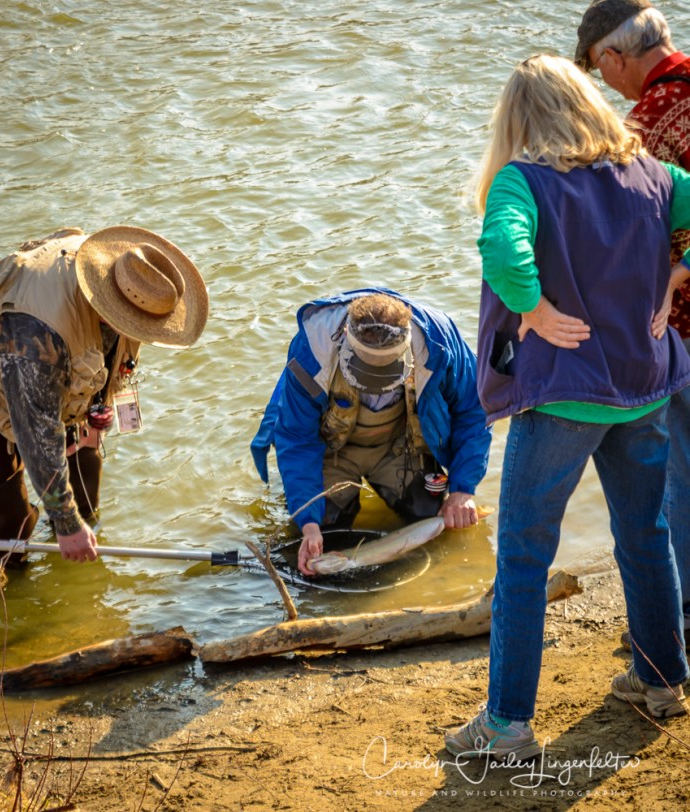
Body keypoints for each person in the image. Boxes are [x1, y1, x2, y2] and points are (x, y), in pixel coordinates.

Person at [444, 54, 690, 763]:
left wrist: (535, 308)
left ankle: (508, 725)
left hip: (564, 398)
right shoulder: (651, 174)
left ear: (520, 119)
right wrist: (680, 273)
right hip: (643, 390)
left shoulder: (522, 180)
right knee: (647, 533)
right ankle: (663, 679)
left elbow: (502, 246)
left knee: (522, 556)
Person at [0, 226, 208, 564]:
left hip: (53, 365)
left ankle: (78, 552)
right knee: (12, 511)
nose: (144, 331)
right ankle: (10, 579)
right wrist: (66, 520)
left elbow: (116, 361)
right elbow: (36, 432)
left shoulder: (137, 285)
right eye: (136, 323)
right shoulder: (38, 329)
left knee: (85, 468)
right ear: (111, 305)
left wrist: (100, 410)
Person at [575, 0, 690, 650]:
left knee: (679, 472)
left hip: (677, 325)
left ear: (613, 58)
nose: (602, 82)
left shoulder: (644, 125)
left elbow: (619, 239)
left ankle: (672, 618)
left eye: (597, 68)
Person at [251, 289, 492, 576]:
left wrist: (463, 490)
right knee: (324, 533)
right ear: (344, 342)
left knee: (431, 515)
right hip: (333, 450)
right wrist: (309, 524)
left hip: (400, 446)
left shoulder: (439, 343)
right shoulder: (312, 350)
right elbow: (297, 439)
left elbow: (475, 410)